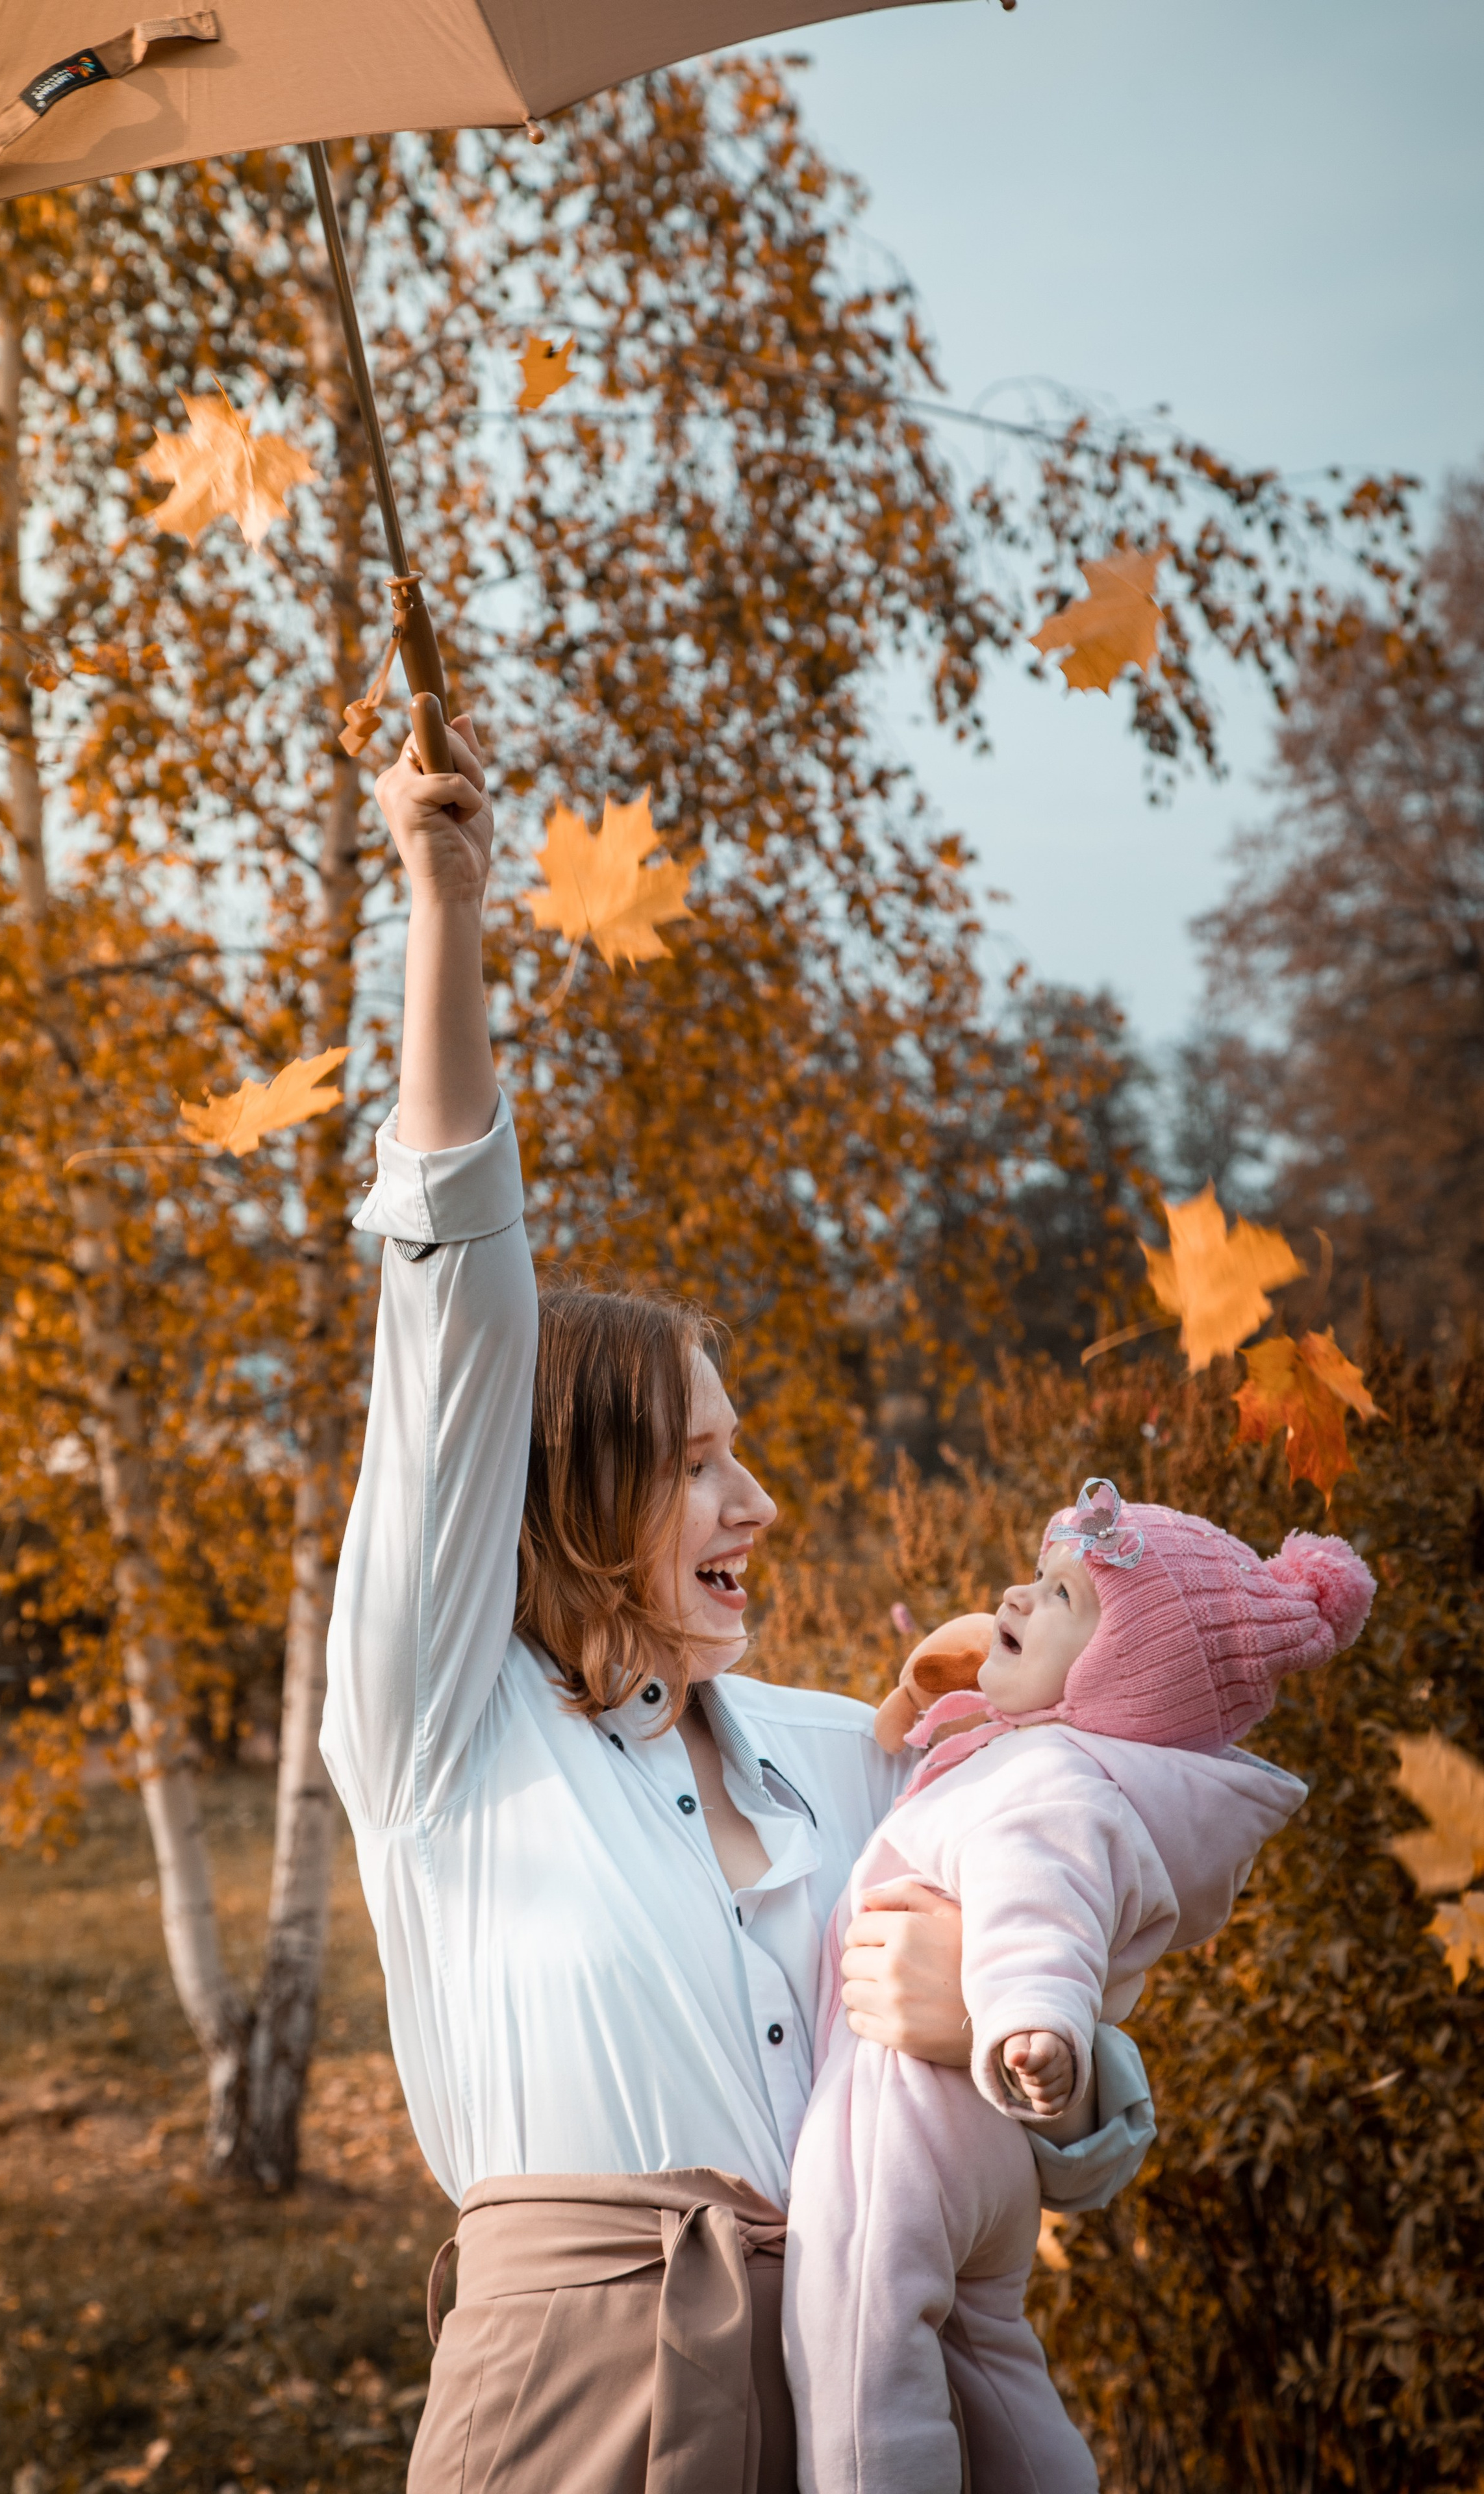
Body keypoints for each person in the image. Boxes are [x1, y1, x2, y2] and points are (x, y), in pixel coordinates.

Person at [318, 718, 1157, 2494]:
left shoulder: (849, 1763)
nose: (756, 1507)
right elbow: (452, 1303)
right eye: (698, 1464)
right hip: (575, 2402)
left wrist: (1007, 2048)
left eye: (745, 1456)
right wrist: (447, 905)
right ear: (571, 1490)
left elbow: (1079, 2134)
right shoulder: (438, 1731)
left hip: (864, 2391)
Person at [783, 1477, 1376, 2494]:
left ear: (1130, 1684)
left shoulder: (1052, 1785)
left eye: (1061, 1598)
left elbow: (1036, 1909)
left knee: (854, 2332)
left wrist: (1028, 2018)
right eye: (1036, 1576)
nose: (1017, 1598)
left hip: (907, 2108)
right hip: (985, 2148)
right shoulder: (1068, 1764)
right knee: (986, 2349)